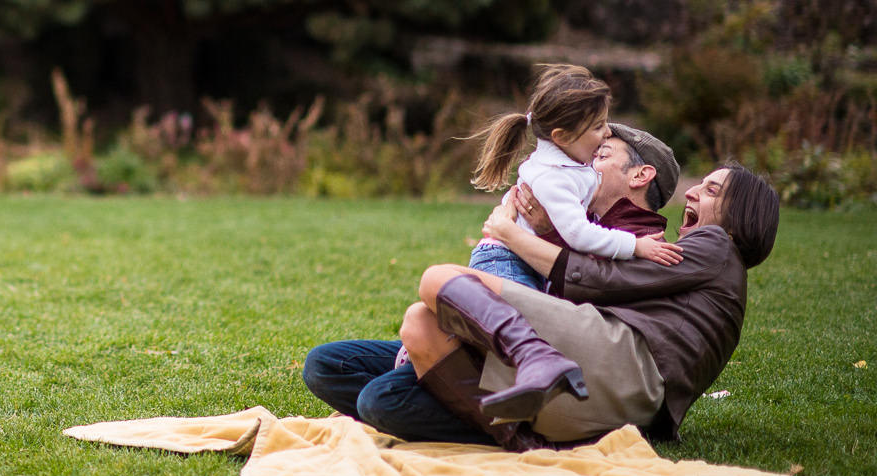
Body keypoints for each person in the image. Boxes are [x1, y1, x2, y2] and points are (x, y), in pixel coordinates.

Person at [305, 134, 779, 451]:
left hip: (605, 366)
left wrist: (515, 237)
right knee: (336, 362)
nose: (694, 193)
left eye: (712, 190)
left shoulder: (711, 246)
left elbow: (603, 284)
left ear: (740, 216)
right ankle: (503, 405)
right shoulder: (690, 258)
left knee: (434, 289)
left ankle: (520, 388)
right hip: (582, 361)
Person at [465, 64, 681, 289]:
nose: (594, 162)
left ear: (640, 175)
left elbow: (589, 283)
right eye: (598, 130)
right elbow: (579, 236)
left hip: (519, 259)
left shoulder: (645, 240)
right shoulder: (556, 176)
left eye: (603, 155)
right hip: (507, 261)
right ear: (563, 138)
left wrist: (546, 232)